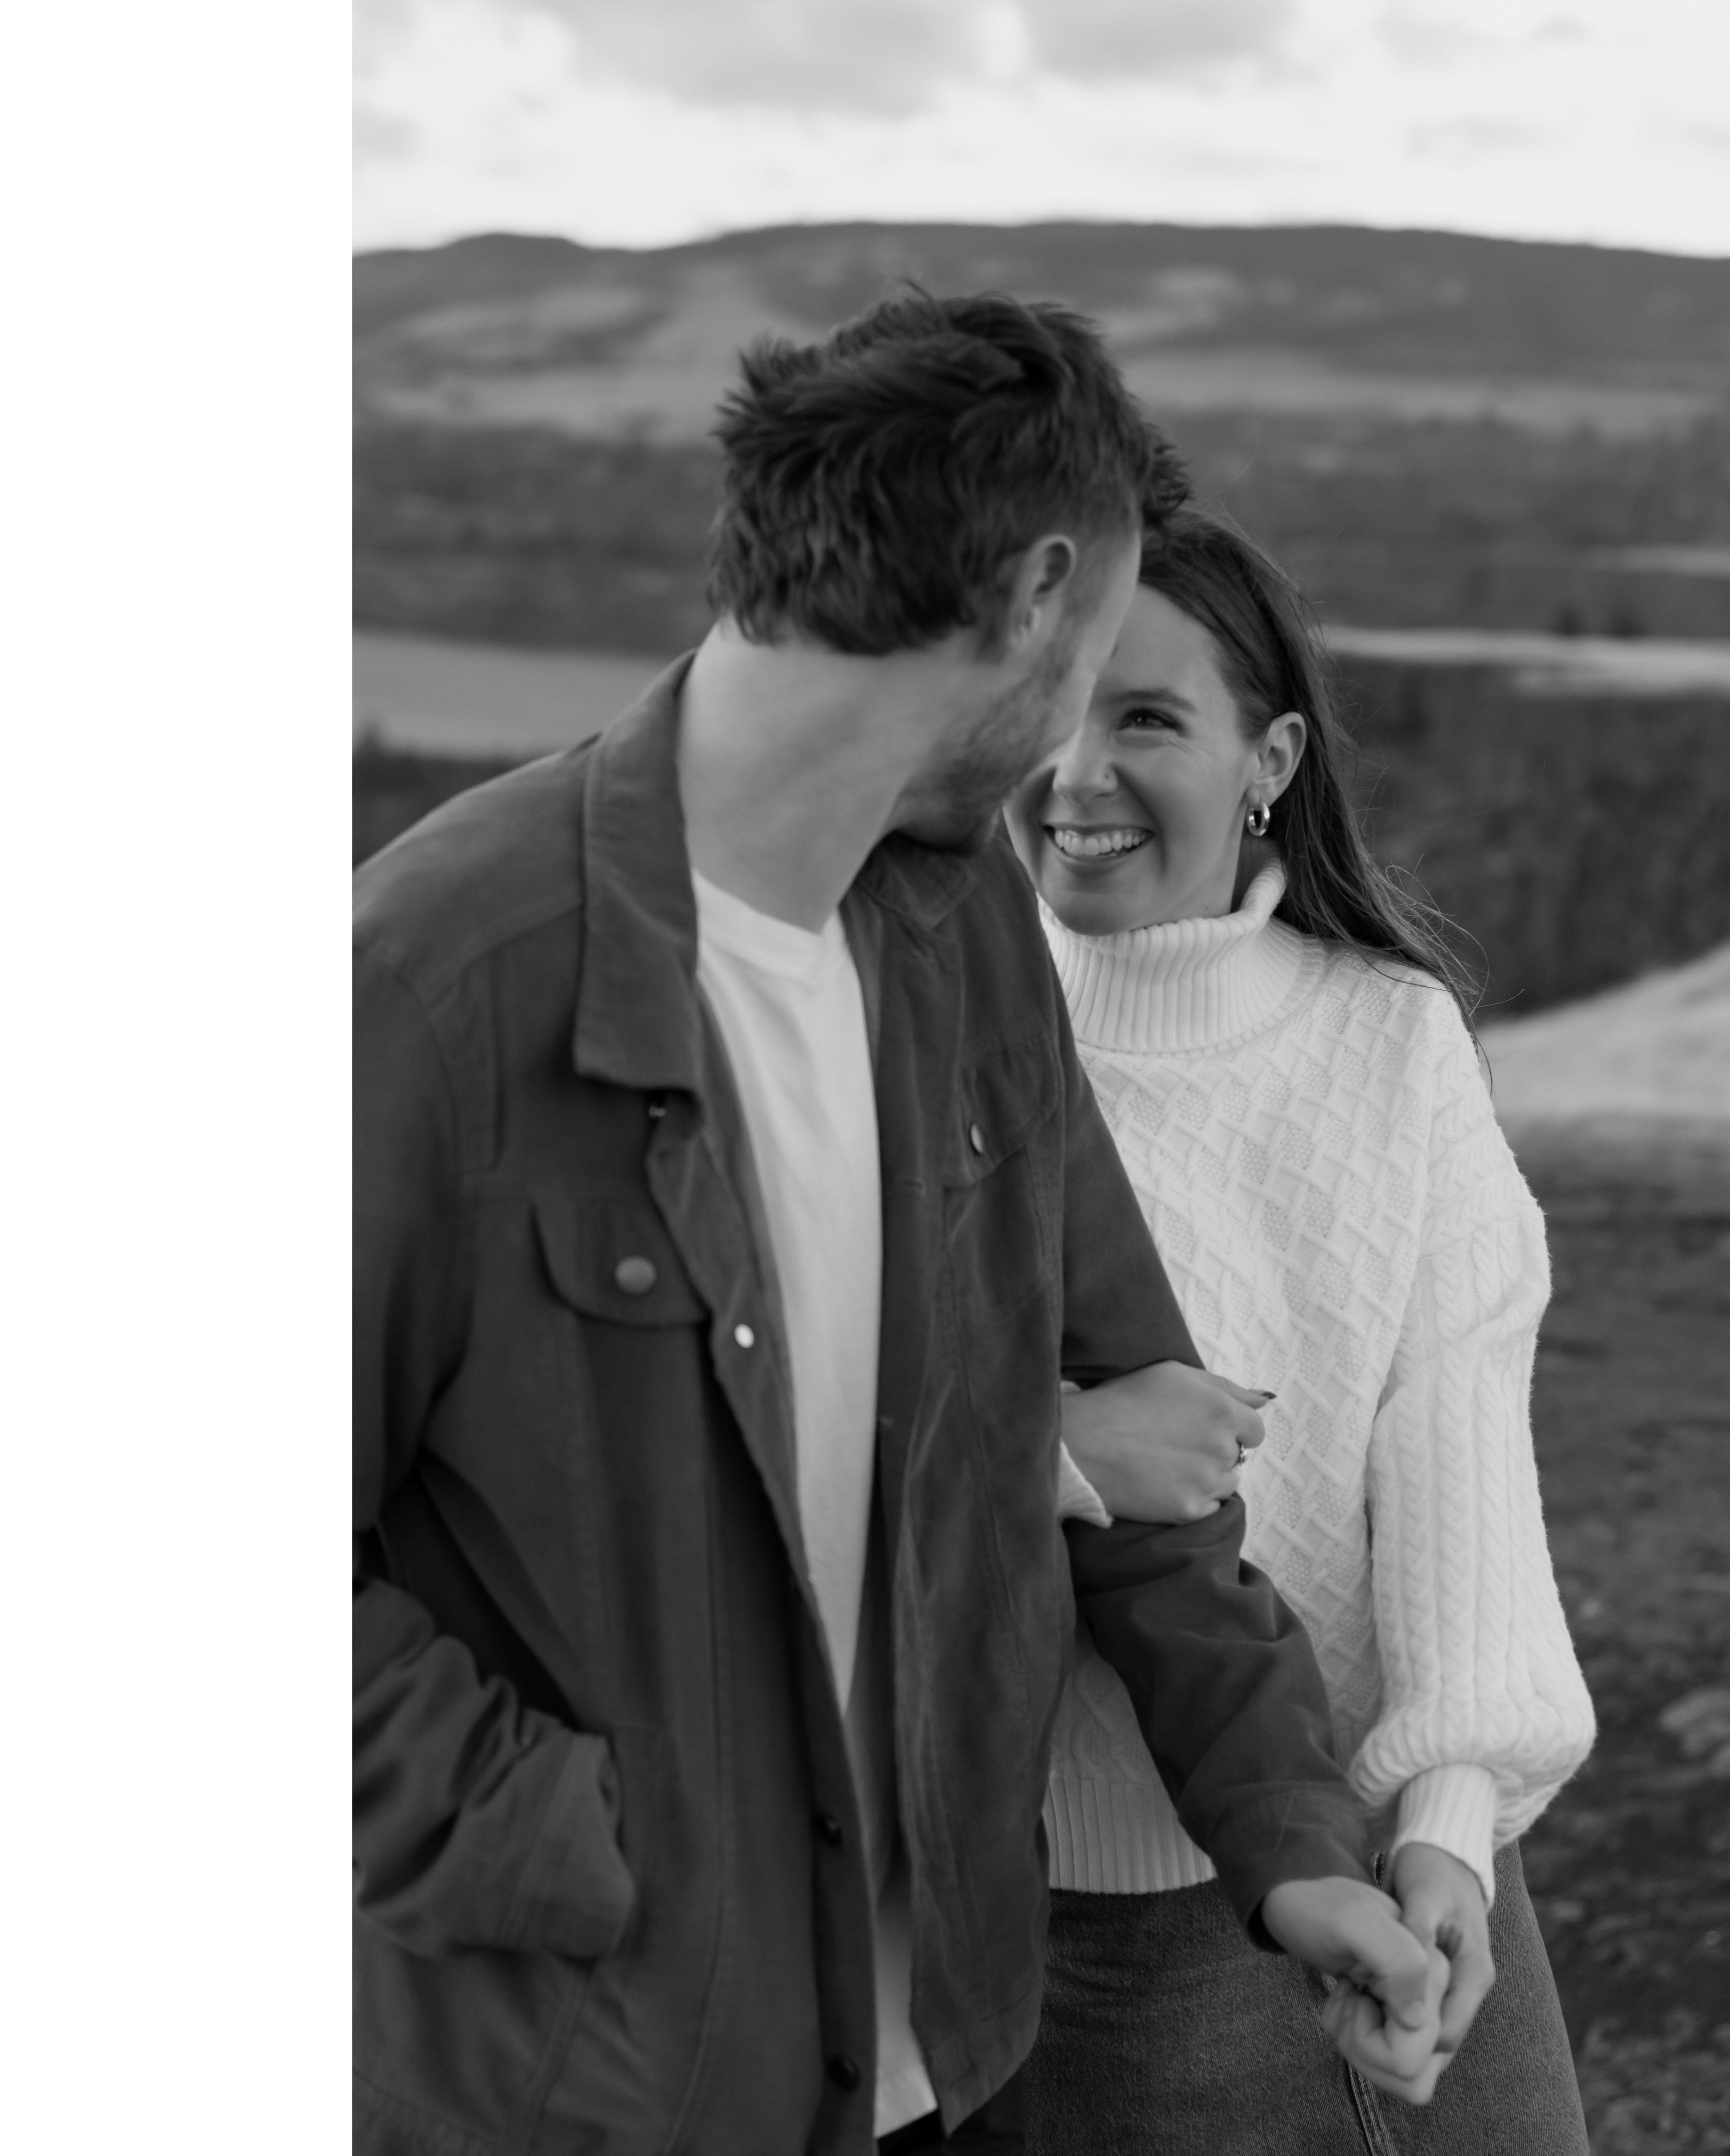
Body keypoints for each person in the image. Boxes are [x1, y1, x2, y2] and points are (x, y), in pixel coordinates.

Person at [354, 295, 1449, 2156]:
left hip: (951, 2068)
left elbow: (1153, 1441)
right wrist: (587, 1845)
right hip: (586, 2094)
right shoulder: (434, 983)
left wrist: (1297, 1851)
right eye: (1096, 644)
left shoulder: (963, 938)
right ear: (1037, 596)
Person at [1004, 507, 1600, 2152]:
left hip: (1420, 1871)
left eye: (1144, 716)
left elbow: (1458, 1442)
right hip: (1098, 1931)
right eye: (1046, 705)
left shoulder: (1391, 1040)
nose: (1077, 771)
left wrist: (1449, 1826)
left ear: (1267, 758)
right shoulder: (940, 1039)